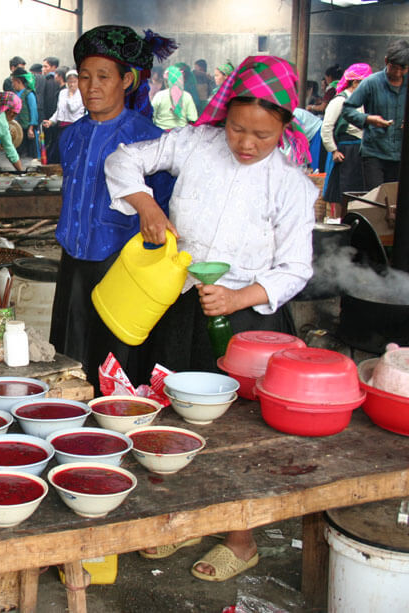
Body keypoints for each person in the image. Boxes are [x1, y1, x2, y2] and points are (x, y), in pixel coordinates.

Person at [105, 55, 316, 582]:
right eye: (237, 129)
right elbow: (123, 159)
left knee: (237, 430)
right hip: (182, 304)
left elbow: (296, 268)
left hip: (246, 323)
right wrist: (146, 205)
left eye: (262, 136)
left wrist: (241, 296)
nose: (246, 144)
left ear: (284, 127)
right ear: (223, 116)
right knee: (175, 413)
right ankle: (189, 521)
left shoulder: (291, 184)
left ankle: (240, 538)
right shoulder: (195, 144)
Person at [48, 24, 176, 389]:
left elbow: (162, 205)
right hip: (73, 260)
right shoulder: (69, 136)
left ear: (127, 80)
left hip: (123, 264)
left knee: (118, 359)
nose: (91, 87)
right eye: (85, 76)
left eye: (103, 76)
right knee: (70, 356)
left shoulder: (148, 138)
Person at [342, 39, 409, 190]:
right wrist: (368, 119)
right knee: (376, 201)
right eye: (394, 68)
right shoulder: (371, 83)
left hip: (401, 155)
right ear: (386, 61)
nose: (398, 73)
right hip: (374, 153)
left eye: (403, 69)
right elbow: (347, 109)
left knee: (397, 202)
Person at [322, 62, 372, 218]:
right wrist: (334, 150)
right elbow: (327, 127)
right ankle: (340, 223)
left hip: (362, 152)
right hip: (346, 152)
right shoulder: (339, 101)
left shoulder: (365, 101)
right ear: (356, 82)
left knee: (361, 193)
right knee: (342, 193)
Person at [42, 70, 84, 164]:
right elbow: (59, 110)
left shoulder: (81, 94)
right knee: (57, 149)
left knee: (71, 150)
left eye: (74, 81)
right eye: (69, 81)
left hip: (74, 126)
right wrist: (51, 121)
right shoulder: (63, 93)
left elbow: (73, 108)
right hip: (62, 126)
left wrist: (70, 96)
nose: (71, 84)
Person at [151, 65, 199, 130]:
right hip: (181, 133)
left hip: (161, 134)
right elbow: (193, 118)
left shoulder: (159, 95)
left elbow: (151, 115)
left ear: (166, 81)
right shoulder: (187, 96)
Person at [11, 67, 40, 159]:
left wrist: (31, 128)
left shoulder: (29, 94)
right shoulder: (15, 94)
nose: (12, 84)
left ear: (19, 81)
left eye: (13, 81)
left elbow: (33, 112)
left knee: (29, 154)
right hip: (17, 130)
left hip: (27, 129)